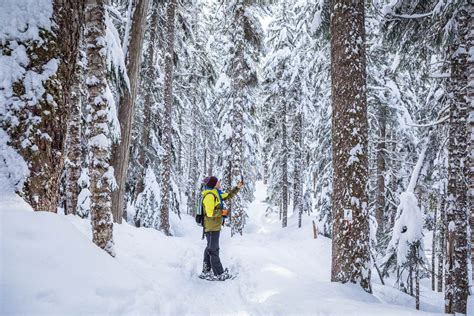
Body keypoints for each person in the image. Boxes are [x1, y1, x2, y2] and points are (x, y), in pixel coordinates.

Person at [199, 176, 243, 281]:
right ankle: (219, 274)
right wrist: (222, 212)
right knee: (214, 250)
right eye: (218, 182)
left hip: (214, 226)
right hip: (211, 228)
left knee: (209, 248)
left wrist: (237, 188)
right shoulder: (210, 196)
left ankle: (206, 271)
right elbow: (209, 213)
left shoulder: (216, 193)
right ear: (214, 184)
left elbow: (227, 196)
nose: (219, 183)